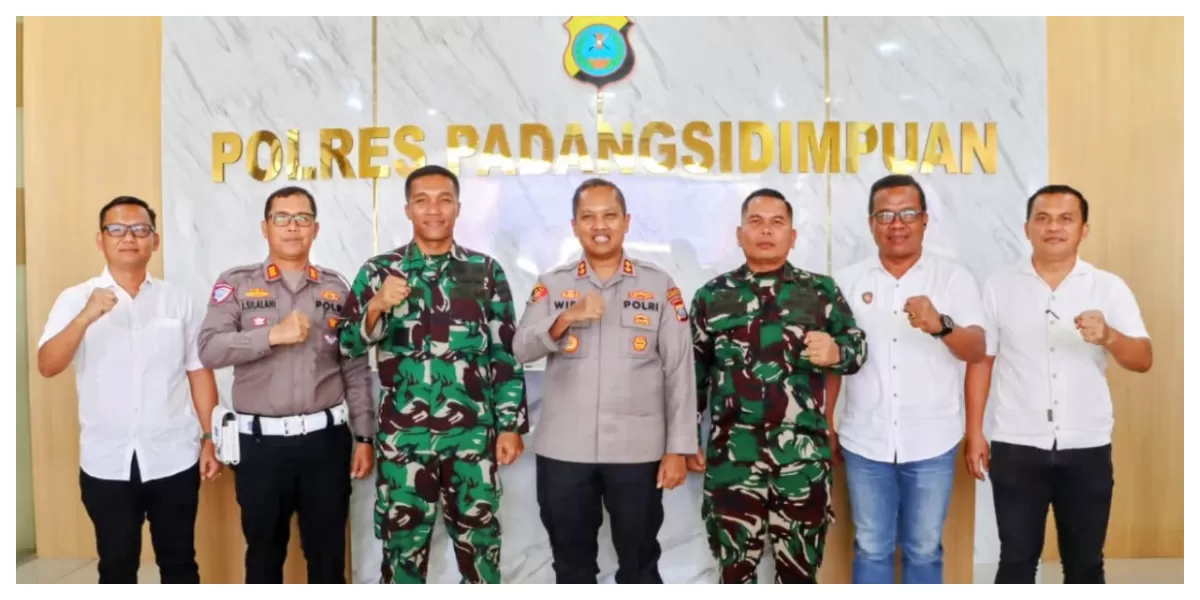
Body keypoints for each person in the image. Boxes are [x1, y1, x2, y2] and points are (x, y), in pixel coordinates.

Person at [339, 165, 529, 584]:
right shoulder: (378, 271)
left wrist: (511, 426)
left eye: (444, 199)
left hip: (471, 441)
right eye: (422, 201)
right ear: (407, 209)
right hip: (404, 442)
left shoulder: (485, 272)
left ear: (458, 208)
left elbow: (505, 354)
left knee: (481, 552)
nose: (434, 210)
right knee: (401, 554)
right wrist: (376, 306)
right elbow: (347, 345)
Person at [965, 185, 1153, 584]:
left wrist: (1109, 337)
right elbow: (983, 361)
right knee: (1016, 562)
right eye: (1043, 218)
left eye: (1066, 219)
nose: (1054, 227)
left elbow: (1143, 359)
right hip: (1016, 444)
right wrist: (975, 432)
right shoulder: (1000, 285)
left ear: (1084, 229)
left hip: (1086, 445)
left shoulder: (1108, 287)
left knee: (1085, 564)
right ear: (1028, 227)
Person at [513, 178, 697, 584]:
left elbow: (680, 369)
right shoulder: (553, 283)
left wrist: (679, 448)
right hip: (565, 451)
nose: (600, 225)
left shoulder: (658, 284)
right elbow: (521, 348)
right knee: (571, 565)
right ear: (575, 225)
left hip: (637, 453)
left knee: (639, 564)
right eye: (589, 217)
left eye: (610, 215)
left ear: (627, 222)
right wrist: (563, 319)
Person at [36, 195, 221, 584]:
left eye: (140, 230)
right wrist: (85, 318)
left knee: (180, 563)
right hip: (107, 461)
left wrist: (209, 438)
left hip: (173, 455)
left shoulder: (179, 300)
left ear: (155, 241)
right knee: (117, 565)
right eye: (116, 230)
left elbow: (198, 372)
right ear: (100, 240)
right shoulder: (76, 298)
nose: (129, 238)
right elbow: (48, 365)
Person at [196, 186, 375, 584]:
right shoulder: (237, 284)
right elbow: (209, 349)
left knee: (328, 556)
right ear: (265, 227)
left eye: (302, 218)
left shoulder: (337, 288)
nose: (292, 227)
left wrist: (364, 436)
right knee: (264, 555)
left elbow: (355, 366)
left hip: (326, 442)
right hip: (261, 446)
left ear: (316, 229)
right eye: (282, 218)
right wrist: (271, 336)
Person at [689, 188, 867, 584]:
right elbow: (693, 377)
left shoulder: (820, 293)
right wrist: (686, 439)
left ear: (793, 235)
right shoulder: (711, 296)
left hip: (801, 460)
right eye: (756, 222)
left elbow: (858, 349)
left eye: (776, 222)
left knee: (800, 576)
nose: (766, 231)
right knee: (734, 573)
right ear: (739, 234)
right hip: (734, 461)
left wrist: (837, 350)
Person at [828, 175, 987, 584]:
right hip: (865, 439)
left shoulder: (953, 279)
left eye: (907, 213)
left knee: (923, 548)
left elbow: (977, 350)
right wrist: (825, 422)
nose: (896, 224)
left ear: (924, 220)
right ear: (871, 223)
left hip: (932, 439)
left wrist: (941, 325)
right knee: (871, 546)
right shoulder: (845, 282)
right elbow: (832, 363)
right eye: (885, 214)